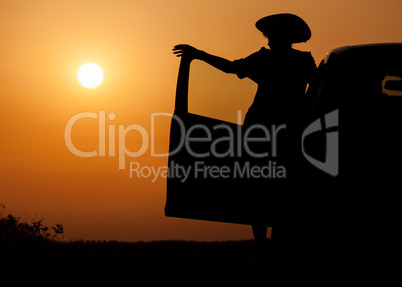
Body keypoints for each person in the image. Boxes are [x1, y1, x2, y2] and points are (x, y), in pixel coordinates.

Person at [173, 13, 318, 264]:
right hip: (276, 131)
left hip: (272, 132)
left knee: (268, 190)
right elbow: (315, 92)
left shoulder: (277, 60)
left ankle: (266, 249)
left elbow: (231, 67)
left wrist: (198, 54)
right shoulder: (293, 60)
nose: (269, 39)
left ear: (282, 37)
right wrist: (198, 54)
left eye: (272, 35)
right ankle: (268, 249)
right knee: (271, 189)